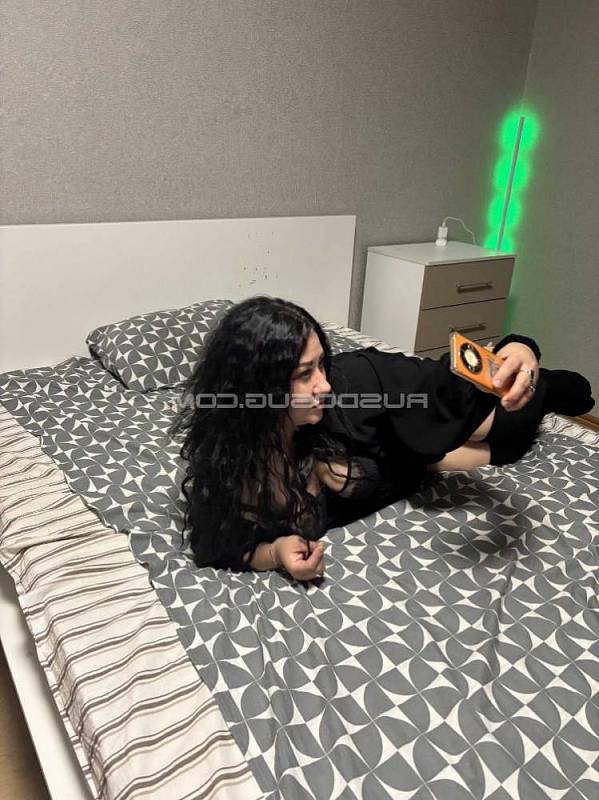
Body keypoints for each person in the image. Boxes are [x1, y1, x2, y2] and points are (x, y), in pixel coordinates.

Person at [171, 296, 594, 581]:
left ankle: (548, 384)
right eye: (304, 374)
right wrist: (277, 551)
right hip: (416, 462)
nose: (323, 384)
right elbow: (220, 546)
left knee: (514, 425)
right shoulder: (229, 463)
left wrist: (519, 351)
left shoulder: (353, 385)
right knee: (502, 452)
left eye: (322, 364)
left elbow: (449, 382)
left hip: (411, 418)